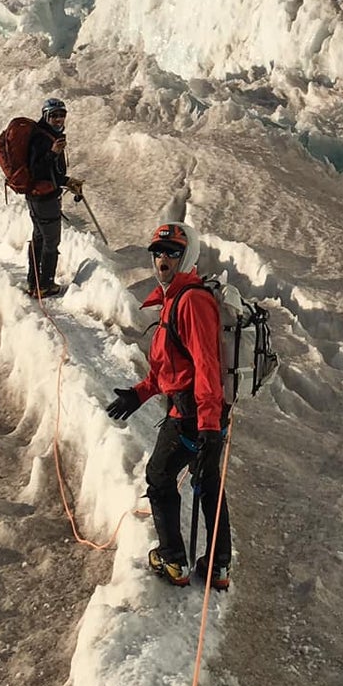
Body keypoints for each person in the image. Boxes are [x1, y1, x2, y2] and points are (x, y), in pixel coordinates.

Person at [106, 221, 231, 589]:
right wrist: (141, 392)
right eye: (158, 253)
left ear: (187, 256)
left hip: (192, 415)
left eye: (172, 253)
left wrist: (207, 426)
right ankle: (219, 567)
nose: (163, 260)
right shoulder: (177, 298)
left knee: (160, 478)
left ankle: (173, 560)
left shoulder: (190, 302)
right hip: (201, 412)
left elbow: (206, 366)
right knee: (208, 483)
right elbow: (172, 366)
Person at [25, 97, 82, 298]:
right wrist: (53, 152)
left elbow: (51, 173)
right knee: (51, 240)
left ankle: (33, 282)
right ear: (45, 116)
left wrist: (66, 180)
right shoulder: (42, 139)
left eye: (62, 115)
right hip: (44, 198)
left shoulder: (48, 135)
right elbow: (36, 170)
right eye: (54, 115)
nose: (59, 119)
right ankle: (45, 285)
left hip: (38, 197)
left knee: (39, 238)